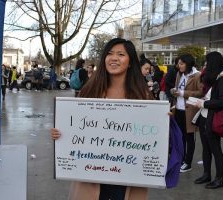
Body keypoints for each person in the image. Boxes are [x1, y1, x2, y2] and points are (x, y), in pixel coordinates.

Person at [51, 38, 152, 200]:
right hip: (91, 173)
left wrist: (164, 122)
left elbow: (153, 134)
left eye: (121, 54)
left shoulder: (142, 95)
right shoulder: (90, 91)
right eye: (110, 54)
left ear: (131, 62)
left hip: (128, 175)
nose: (114, 58)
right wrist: (61, 134)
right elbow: (74, 128)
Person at [193, 51, 223, 189]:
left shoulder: (222, 79)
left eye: (207, 62)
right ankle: (206, 174)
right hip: (205, 117)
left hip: (213, 119)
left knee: (216, 149)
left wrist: (204, 103)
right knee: (206, 148)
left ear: (213, 63)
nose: (205, 65)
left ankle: (219, 179)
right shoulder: (214, 78)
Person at [171, 54, 203, 173]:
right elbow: (177, 88)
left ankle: (188, 162)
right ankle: (181, 158)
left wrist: (183, 93)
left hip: (189, 111)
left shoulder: (197, 75)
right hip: (178, 109)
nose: (179, 66)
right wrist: (174, 92)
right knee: (179, 136)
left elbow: (201, 92)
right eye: (179, 63)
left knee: (189, 137)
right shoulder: (179, 74)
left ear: (188, 64)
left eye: (181, 63)